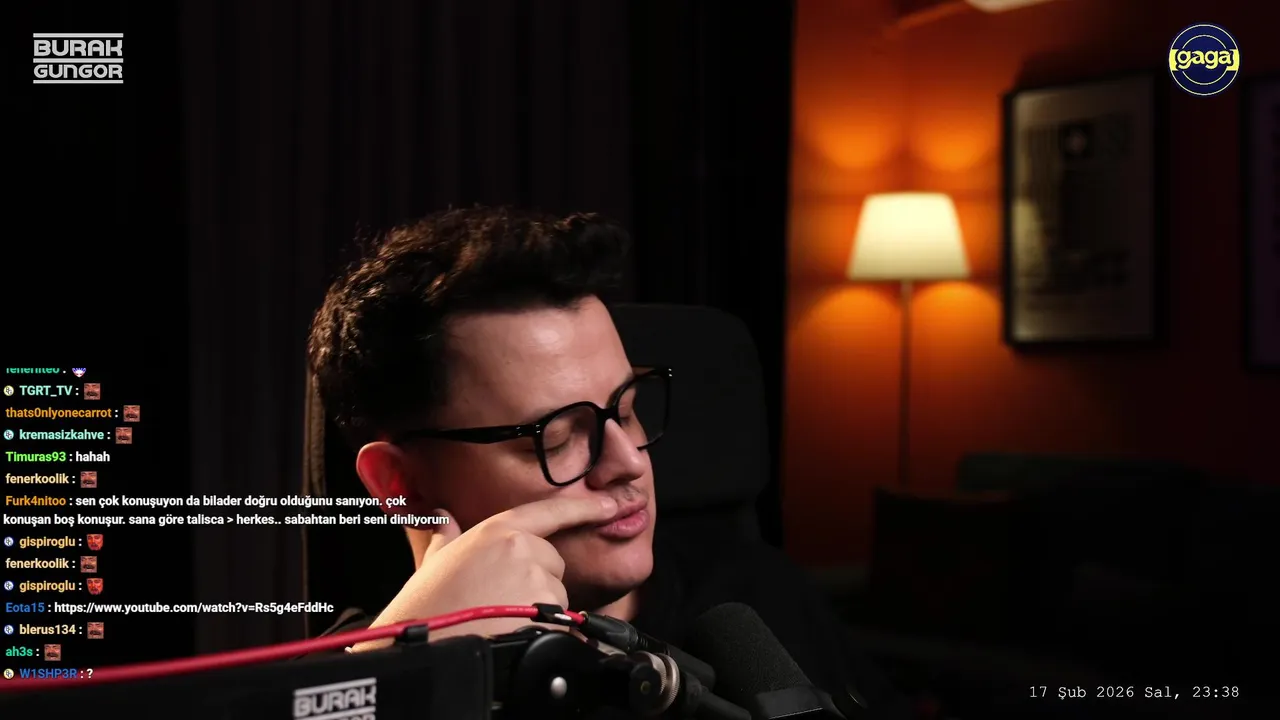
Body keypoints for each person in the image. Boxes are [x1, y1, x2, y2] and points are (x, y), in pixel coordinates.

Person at [307, 206, 913, 718]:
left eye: (625, 409)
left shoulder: (759, 600)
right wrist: (410, 676)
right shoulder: (340, 690)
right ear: (402, 484)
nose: (628, 463)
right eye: (555, 437)